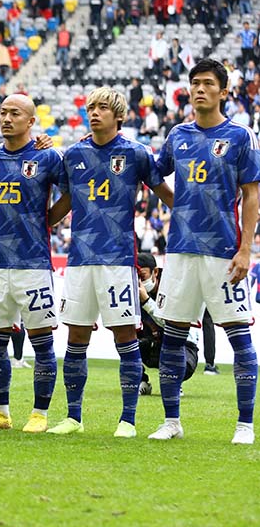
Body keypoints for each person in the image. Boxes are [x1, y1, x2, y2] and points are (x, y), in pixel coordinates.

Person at [45, 87, 173, 438]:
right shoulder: (74, 154)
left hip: (117, 260)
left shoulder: (136, 153)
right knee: (76, 338)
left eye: (103, 107)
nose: (95, 112)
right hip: (79, 261)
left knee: (125, 338)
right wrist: (37, 222)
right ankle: (73, 416)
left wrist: (193, 216)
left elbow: (164, 192)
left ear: (120, 116)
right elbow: (65, 202)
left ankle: (128, 420)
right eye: (91, 107)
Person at [151, 58, 259, 444]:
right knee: (173, 336)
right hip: (180, 250)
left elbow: (251, 195)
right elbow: (153, 174)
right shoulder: (176, 134)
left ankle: (245, 424)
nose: (199, 89)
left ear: (223, 92)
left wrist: (246, 249)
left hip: (222, 252)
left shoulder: (240, 136)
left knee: (239, 337)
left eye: (207, 83)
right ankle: (171, 421)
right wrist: (176, 203)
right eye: (194, 82)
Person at [0, 94, 64, 433]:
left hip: (33, 263)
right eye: (2, 112)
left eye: (15, 113)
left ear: (31, 121)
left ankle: (39, 414)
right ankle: (0, 413)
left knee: (42, 340)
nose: (6, 118)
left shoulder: (47, 157)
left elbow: (68, 191)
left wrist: (48, 220)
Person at [136, 252, 199, 395]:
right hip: (151, 343)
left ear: (155, 272)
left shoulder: (173, 287)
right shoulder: (132, 290)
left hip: (183, 344)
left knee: (182, 357)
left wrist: (146, 301)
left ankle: (175, 381)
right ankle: (141, 380)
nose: (139, 281)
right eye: (135, 277)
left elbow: (174, 324)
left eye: (142, 276)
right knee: (124, 339)